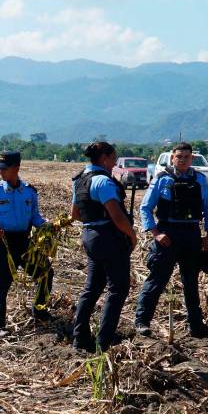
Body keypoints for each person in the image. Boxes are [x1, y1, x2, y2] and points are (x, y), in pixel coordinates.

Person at [135, 142, 208, 338]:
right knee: (157, 280)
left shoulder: (199, 180)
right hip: (167, 234)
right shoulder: (162, 179)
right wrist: (156, 233)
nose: (182, 160)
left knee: (191, 283)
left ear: (192, 159)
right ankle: (142, 322)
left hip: (191, 235)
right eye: (179, 156)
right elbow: (145, 208)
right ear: (172, 158)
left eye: (186, 157)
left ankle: (196, 326)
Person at [71, 142, 137, 352]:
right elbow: (117, 217)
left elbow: (75, 214)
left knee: (92, 288)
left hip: (90, 236)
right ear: (105, 158)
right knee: (118, 289)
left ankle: (79, 338)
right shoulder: (103, 182)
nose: (115, 162)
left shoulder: (80, 180)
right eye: (114, 157)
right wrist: (132, 236)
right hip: (109, 237)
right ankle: (103, 342)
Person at [0, 151, 52, 338]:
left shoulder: (29, 192)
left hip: (24, 241)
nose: (1, 173)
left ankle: (40, 311)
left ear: (16, 169)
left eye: (4, 169)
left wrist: (47, 226)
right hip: (2, 242)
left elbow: (35, 216)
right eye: (0, 169)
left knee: (45, 272)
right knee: (2, 283)